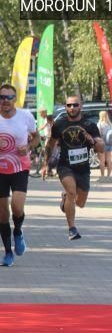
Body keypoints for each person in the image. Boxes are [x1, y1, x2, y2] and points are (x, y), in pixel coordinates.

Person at [46, 93, 103, 241]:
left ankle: (66, 199)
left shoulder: (89, 125)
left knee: (81, 203)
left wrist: (92, 140)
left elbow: (101, 148)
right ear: (65, 107)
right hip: (65, 166)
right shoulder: (59, 125)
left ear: (81, 106)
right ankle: (72, 229)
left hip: (83, 168)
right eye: (69, 105)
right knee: (72, 192)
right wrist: (47, 164)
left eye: (75, 105)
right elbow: (50, 144)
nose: (72, 108)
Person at [0, 84, 39, 266]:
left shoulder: (25, 116)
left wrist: (29, 147)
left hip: (19, 167)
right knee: (2, 214)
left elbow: (36, 137)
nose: (5, 100)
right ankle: (8, 252)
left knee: (17, 207)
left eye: (9, 97)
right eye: (2, 97)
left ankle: (17, 231)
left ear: (15, 99)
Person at [97, 110, 112, 178]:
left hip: (102, 144)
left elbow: (98, 135)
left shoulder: (100, 124)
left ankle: (102, 176)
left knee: (102, 161)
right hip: (109, 143)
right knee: (109, 160)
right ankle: (108, 175)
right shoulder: (110, 124)